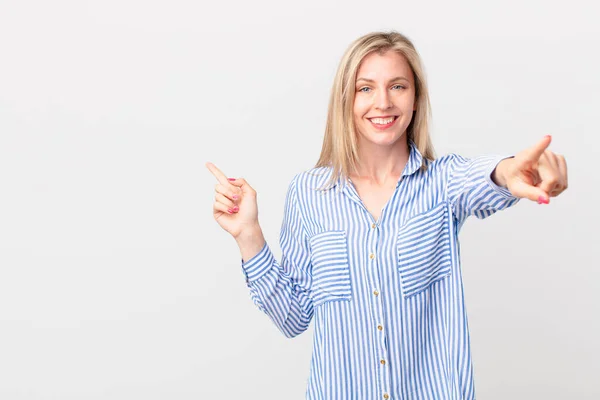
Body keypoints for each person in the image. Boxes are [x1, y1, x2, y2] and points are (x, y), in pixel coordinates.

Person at [206, 31, 568, 400]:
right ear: (346, 100)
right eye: (365, 88)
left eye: (397, 86)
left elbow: (487, 177)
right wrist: (248, 235)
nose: (382, 102)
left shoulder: (441, 182)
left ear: (415, 100)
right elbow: (293, 317)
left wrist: (515, 171)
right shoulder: (308, 195)